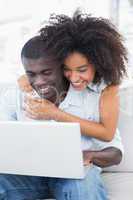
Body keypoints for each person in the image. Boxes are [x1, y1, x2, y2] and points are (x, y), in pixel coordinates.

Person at [0, 32, 123, 200]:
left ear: (61, 67)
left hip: (75, 178)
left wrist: (89, 155)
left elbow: (115, 153)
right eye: (31, 74)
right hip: (28, 178)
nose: (39, 81)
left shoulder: (94, 97)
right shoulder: (15, 95)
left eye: (46, 72)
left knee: (83, 188)